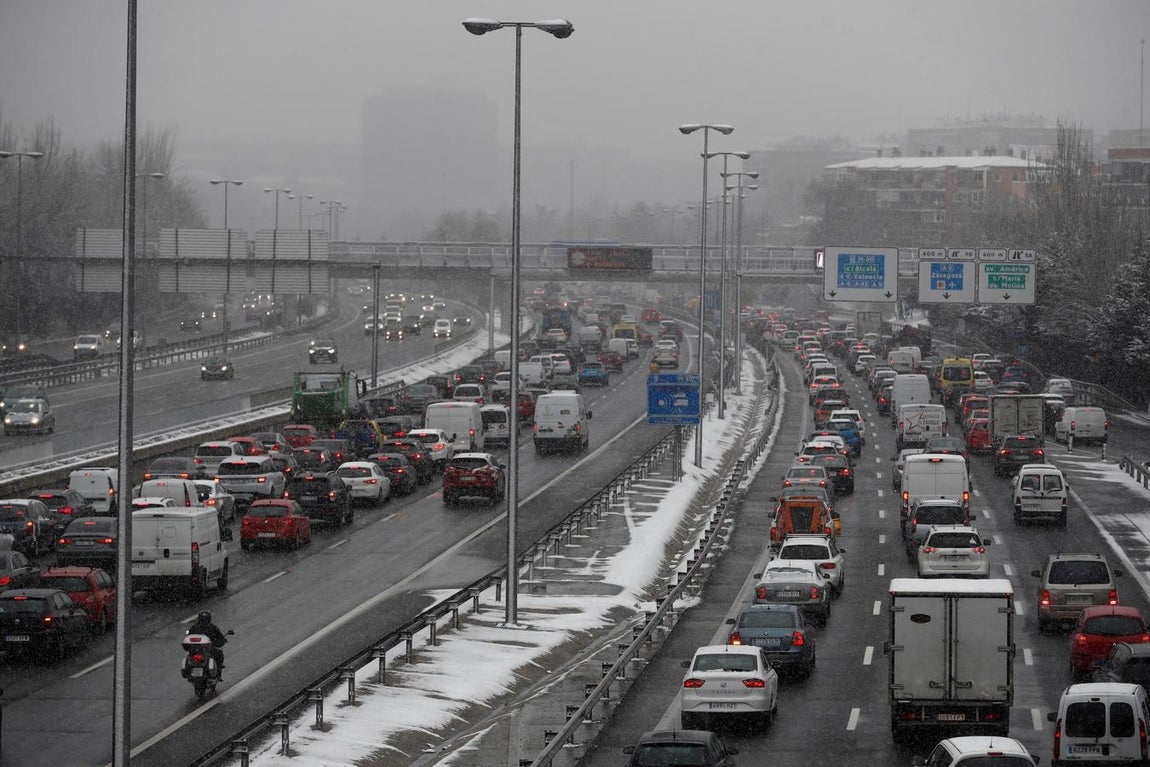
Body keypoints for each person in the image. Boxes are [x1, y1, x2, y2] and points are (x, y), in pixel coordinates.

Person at [187, 610, 227, 677]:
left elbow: (188, 639)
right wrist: (222, 641)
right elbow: (220, 637)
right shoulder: (212, 627)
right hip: (208, 650)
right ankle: (218, 673)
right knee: (220, 654)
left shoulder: (193, 628)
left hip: (196, 650)